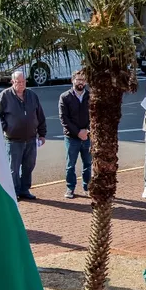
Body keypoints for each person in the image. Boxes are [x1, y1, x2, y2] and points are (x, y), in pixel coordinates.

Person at [0, 70, 47, 200]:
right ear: (12, 82)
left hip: (30, 139)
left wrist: (42, 134)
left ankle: (24, 189)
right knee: (13, 168)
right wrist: (6, 128)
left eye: (23, 81)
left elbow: (40, 115)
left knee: (29, 166)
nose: (21, 84)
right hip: (13, 140)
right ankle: (14, 191)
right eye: (18, 82)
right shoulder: (5, 96)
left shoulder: (32, 95)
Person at [59, 70, 91, 200]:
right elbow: (64, 119)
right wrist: (78, 132)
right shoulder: (65, 97)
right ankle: (70, 188)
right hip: (71, 138)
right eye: (78, 79)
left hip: (87, 137)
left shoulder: (91, 96)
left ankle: (87, 188)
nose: (80, 82)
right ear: (73, 80)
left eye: (83, 80)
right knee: (70, 165)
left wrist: (87, 131)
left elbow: (95, 116)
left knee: (88, 164)